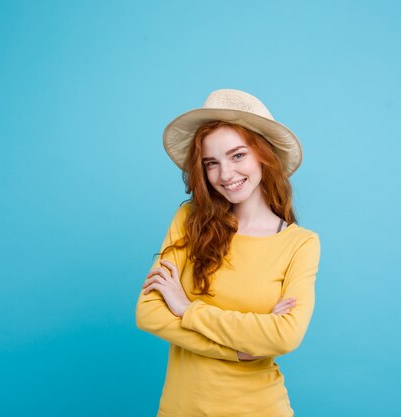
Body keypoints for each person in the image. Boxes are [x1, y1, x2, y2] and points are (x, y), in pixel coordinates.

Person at [135, 89, 321, 417]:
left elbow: (285, 335)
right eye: (212, 163)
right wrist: (241, 350)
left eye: (237, 156)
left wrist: (186, 309)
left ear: (264, 155)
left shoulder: (300, 244)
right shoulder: (189, 220)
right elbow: (149, 313)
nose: (225, 175)